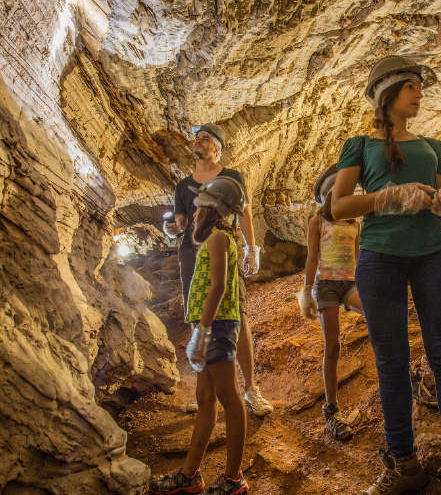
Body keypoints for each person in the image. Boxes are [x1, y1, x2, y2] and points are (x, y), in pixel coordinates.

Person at [330, 55, 441, 495]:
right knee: (391, 362)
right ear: (387, 93)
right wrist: (388, 197)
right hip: (380, 258)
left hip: (433, 252)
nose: (420, 93)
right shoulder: (359, 144)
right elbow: (338, 207)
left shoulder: (432, 144)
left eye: (420, 86)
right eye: (412, 85)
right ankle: (403, 465)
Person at [149, 176, 250, 495]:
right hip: (209, 325)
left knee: (229, 396)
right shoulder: (212, 237)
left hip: (217, 326)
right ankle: (190, 474)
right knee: (206, 398)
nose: (196, 207)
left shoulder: (219, 238)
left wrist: (202, 332)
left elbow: (218, 287)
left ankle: (234, 479)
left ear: (215, 207)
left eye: (202, 201)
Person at [165, 123, 273, 417]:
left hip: (224, 247)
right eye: (196, 138)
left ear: (217, 148)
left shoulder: (231, 177)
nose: (197, 142)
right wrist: (172, 227)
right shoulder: (182, 184)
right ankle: (206, 393)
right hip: (191, 253)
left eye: (205, 139)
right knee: (196, 314)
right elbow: (183, 223)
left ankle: (251, 389)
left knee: (237, 314)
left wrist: (252, 249)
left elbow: (245, 212)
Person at [297, 164, 365, 441]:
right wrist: (306, 291)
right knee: (333, 345)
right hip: (326, 286)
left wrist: (366, 283)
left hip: (350, 284)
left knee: (377, 314)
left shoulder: (354, 224)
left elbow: (358, 256)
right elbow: (312, 258)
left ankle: (400, 378)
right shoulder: (318, 222)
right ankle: (331, 408)